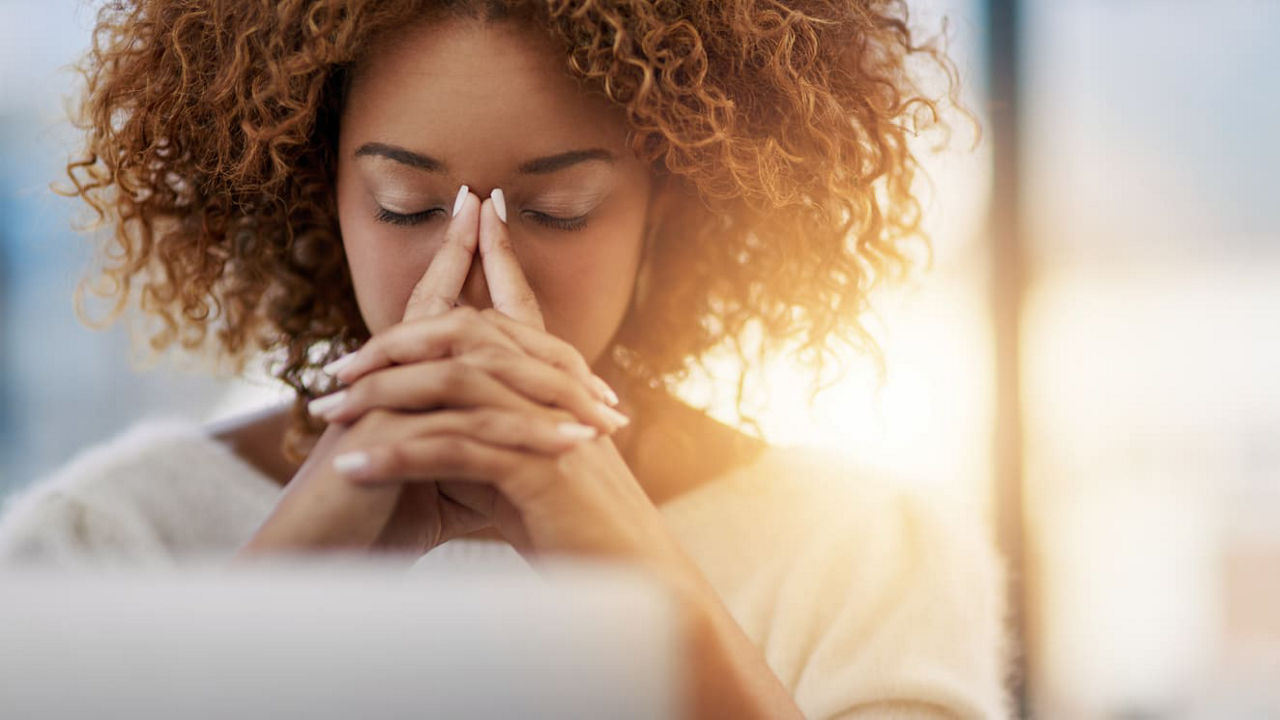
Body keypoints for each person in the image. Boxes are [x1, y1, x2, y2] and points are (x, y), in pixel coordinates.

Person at [0, 0, 1010, 717]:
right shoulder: (103, 544)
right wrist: (293, 569)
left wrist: (640, 576)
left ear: (670, 204)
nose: (475, 271)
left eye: (553, 211)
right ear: (321, 198)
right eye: (405, 206)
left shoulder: (867, 557)